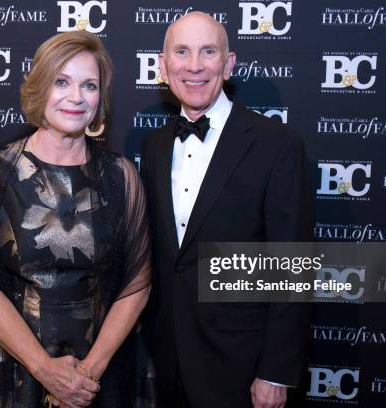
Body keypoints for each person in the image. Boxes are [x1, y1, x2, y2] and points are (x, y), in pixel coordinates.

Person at [0, 31, 153, 408]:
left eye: (89, 85)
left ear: (100, 98)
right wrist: (44, 369)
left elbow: (137, 284)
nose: (76, 97)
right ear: (41, 86)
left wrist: (85, 375)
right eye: (61, 81)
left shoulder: (121, 177)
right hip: (10, 365)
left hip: (100, 371)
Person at [141, 12, 313, 408]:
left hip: (242, 365)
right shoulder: (154, 146)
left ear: (229, 63)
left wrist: (275, 371)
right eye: (181, 52)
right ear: (163, 66)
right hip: (167, 358)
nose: (195, 66)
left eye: (208, 52)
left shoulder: (277, 145)